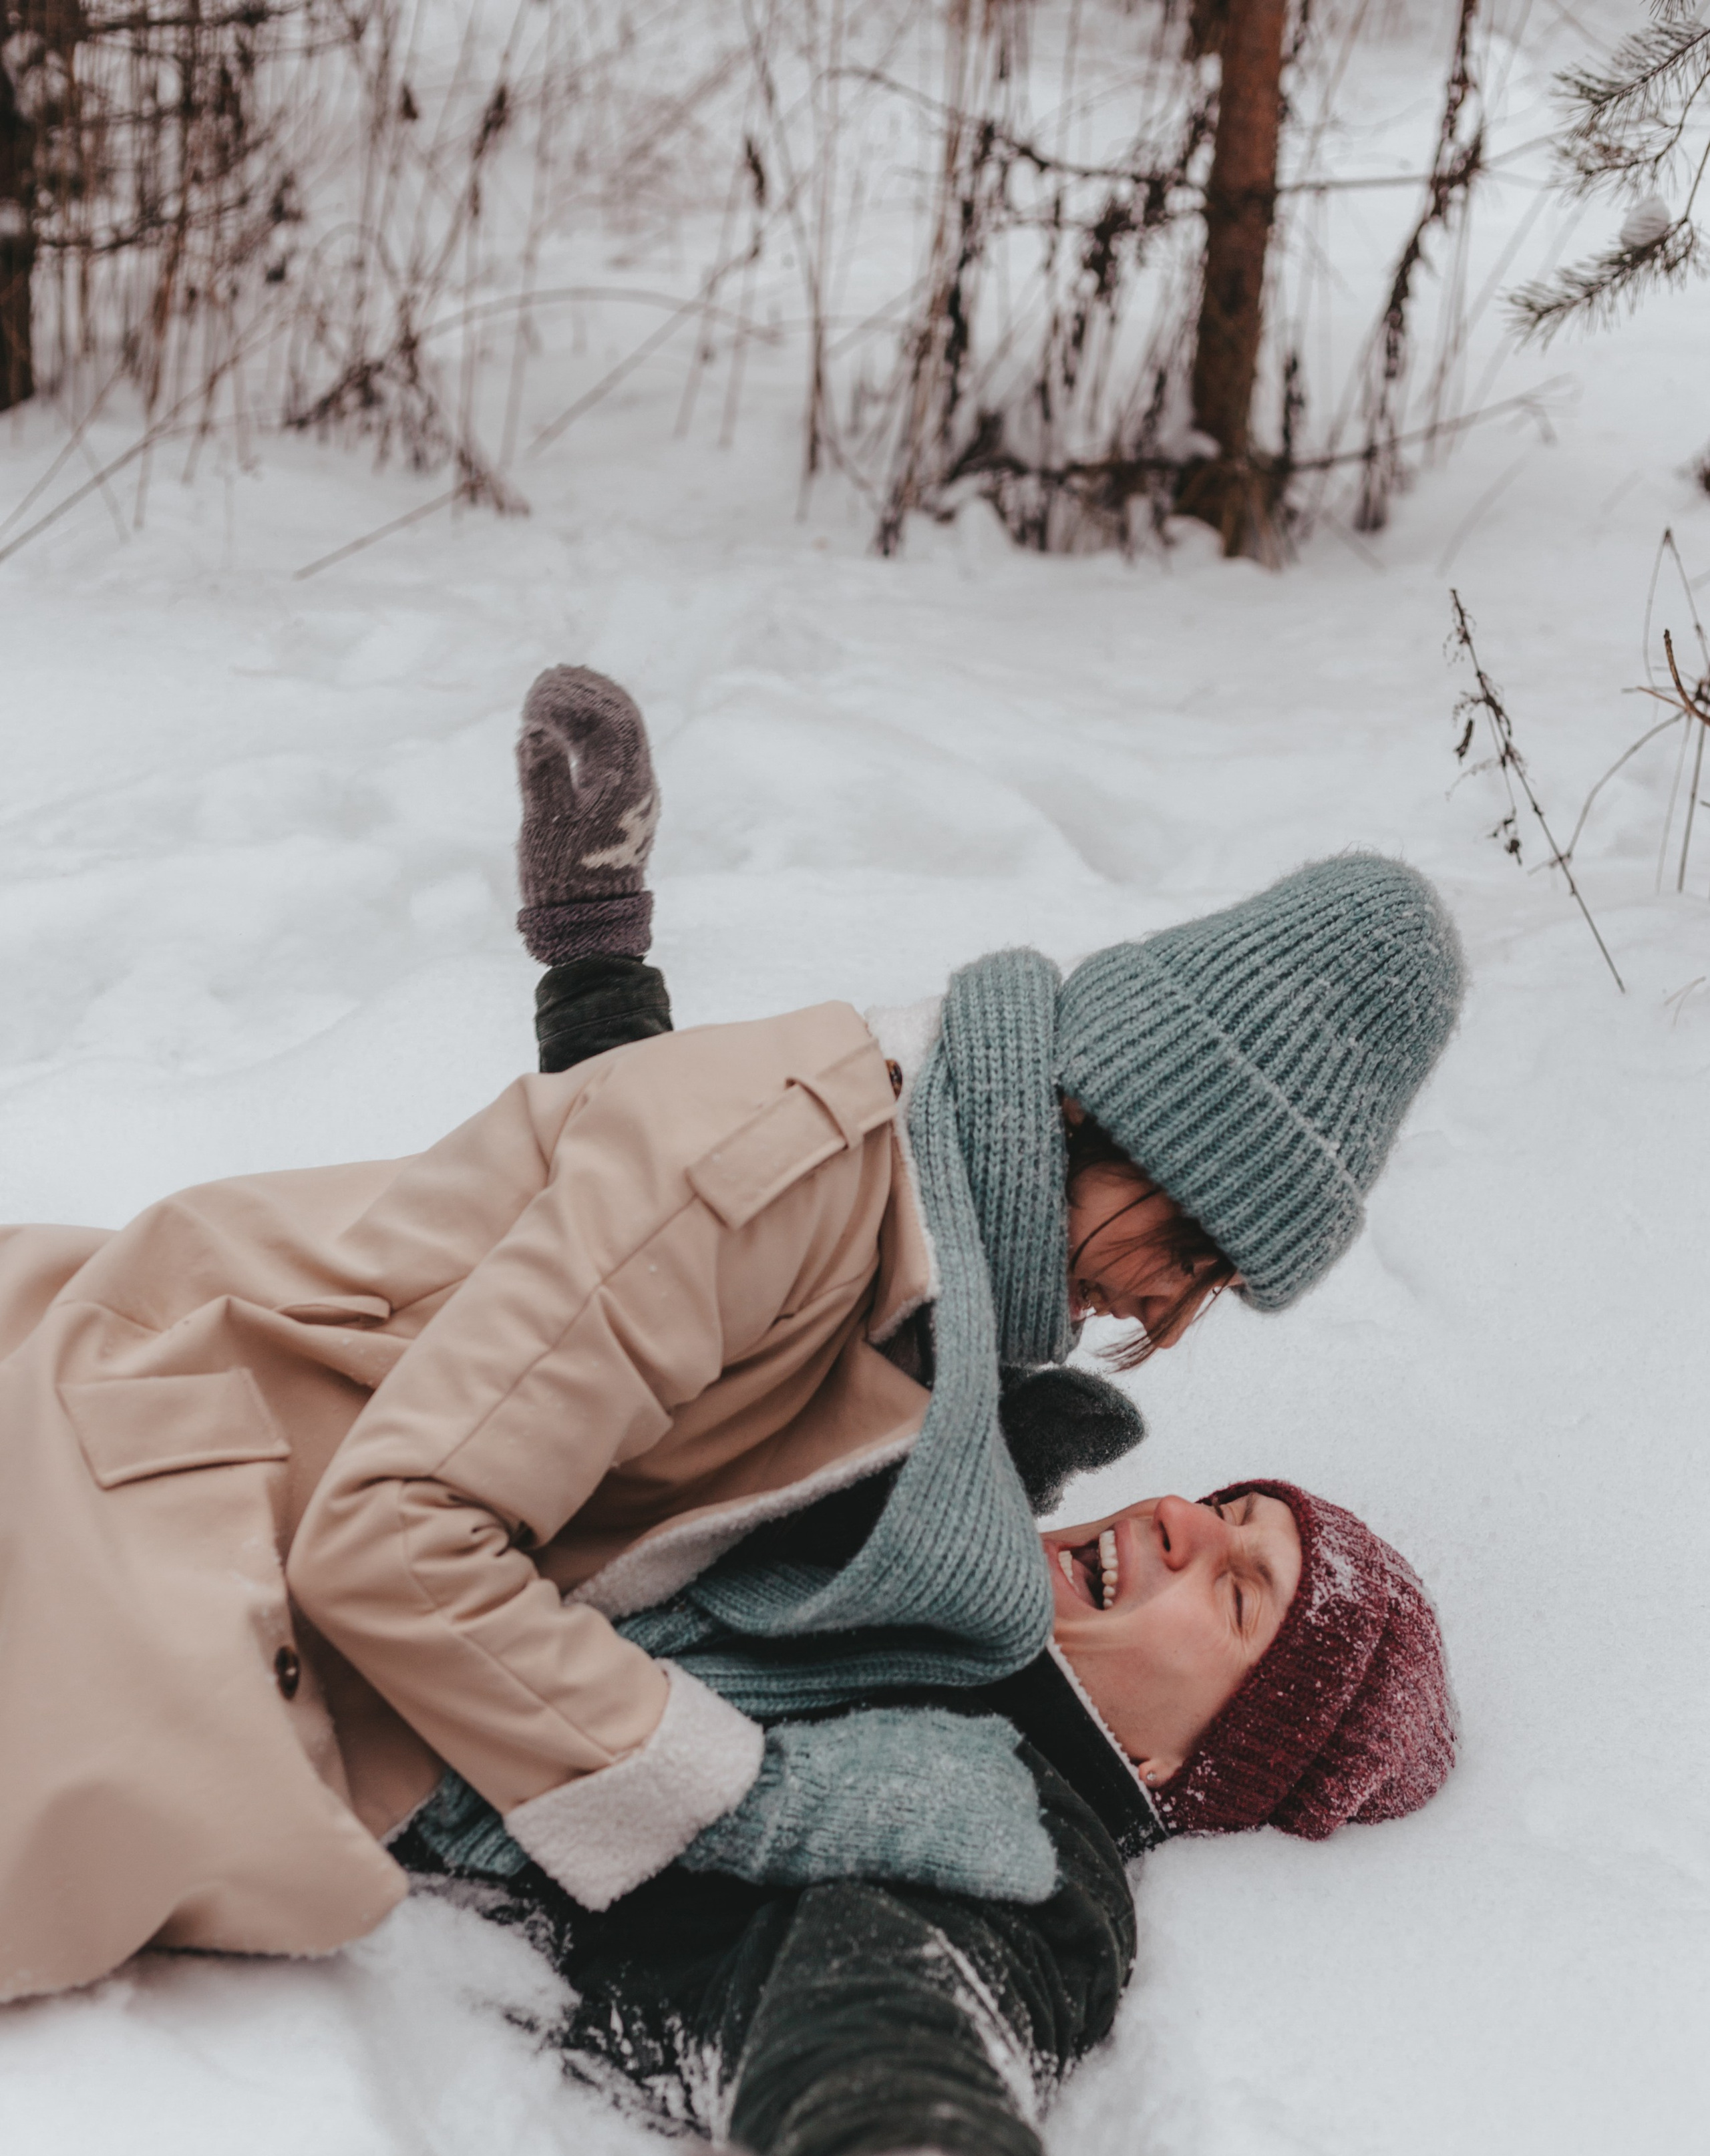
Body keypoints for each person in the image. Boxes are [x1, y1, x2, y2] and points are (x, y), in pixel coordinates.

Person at [0, 664, 1462, 2004]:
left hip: (230, 1474)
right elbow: (400, 1533)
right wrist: (751, 1795)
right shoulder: (807, 1171)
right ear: (1124, 1128)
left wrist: (597, 976)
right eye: (1193, 1250)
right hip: (150, 1516)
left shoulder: (914, 1219)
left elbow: (668, 1313)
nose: (1161, 1310)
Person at [395, 1470, 1456, 2156]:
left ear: (1180, 1767)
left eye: (1236, 1596)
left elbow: (907, 1986)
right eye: (1225, 1510)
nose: (1180, 1520)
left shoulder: (1030, 1840)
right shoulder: (915, 1531)